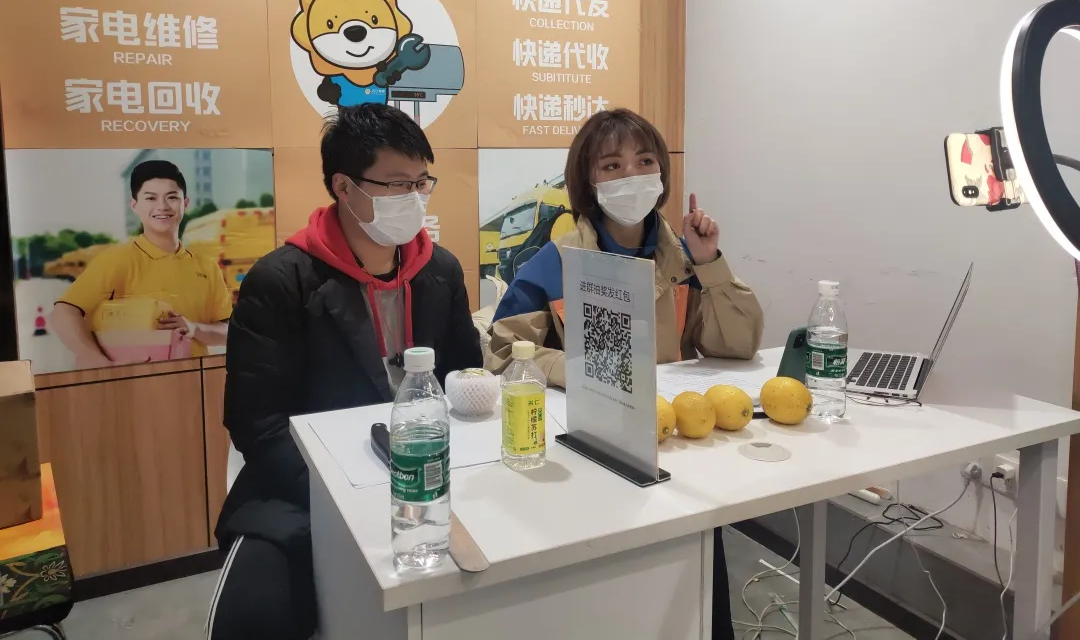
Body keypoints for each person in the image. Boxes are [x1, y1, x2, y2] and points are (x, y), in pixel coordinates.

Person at [488, 108, 764, 640]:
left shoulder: (686, 259)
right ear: (589, 181)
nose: (631, 175)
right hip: (596, 449)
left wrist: (711, 262)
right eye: (612, 165)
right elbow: (503, 351)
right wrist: (579, 371)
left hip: (681, 449)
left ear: (662, 172)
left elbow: (736, 345)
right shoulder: (558, 260)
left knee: (694, 589)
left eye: (644, 161)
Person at [208, 105, 482, 640]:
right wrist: (350, 497)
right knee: (253, 619)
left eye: (421, 182)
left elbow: (462, 377)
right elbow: (257, 425)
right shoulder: (281, 281)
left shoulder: (440, 271)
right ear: (344, 187)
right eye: (397, 184)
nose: (414, 197)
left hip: (430, 479)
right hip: (305, 491)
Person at [52, 160, 231, 370]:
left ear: (186, 203)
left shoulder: (207, 267)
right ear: (134, 205)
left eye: (172, 197)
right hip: (132, 381)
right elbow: (64, 311)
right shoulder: (116, 260)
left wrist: (194, 328)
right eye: (151, 198)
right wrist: (90, 356)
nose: (162, 206)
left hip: (193, 380)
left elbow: (228, 331)